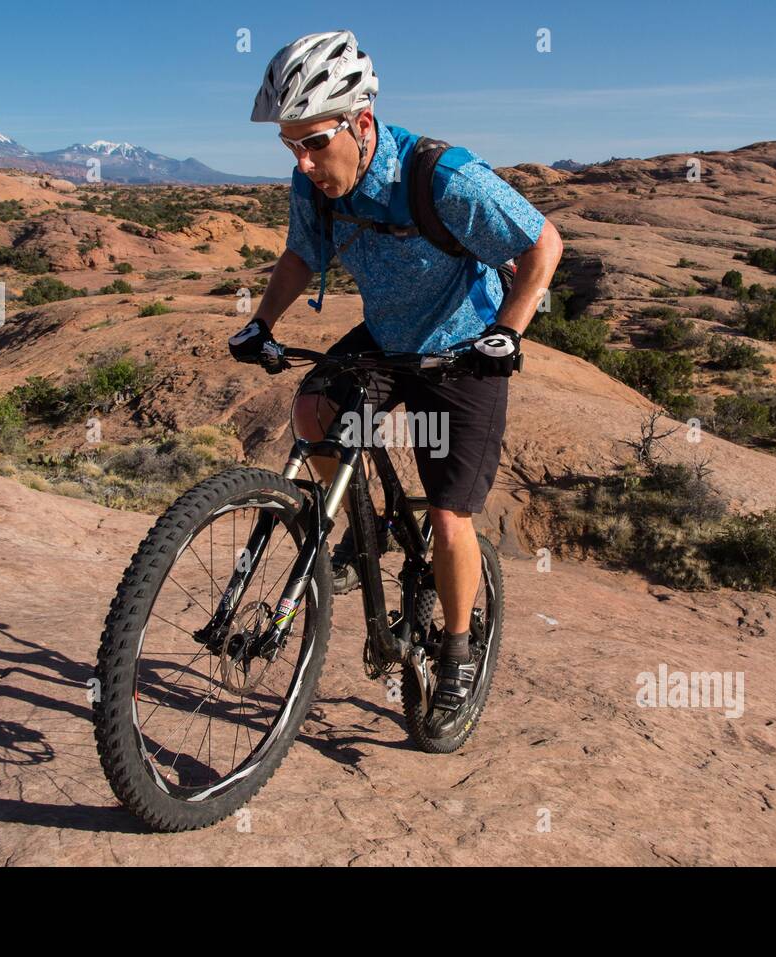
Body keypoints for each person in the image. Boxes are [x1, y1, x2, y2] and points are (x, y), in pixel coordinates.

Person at [229, 30, 563, 722]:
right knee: (315, 410)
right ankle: (365, 535)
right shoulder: (311, 182)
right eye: (291, 144)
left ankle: (459, 654)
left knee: (448, 517)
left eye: (315, 141)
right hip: (386, 340)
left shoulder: (442, 178)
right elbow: (300, 256)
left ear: (362, 122)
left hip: (462, 351)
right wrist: (261, 321)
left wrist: (509, 330)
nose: (303, 160)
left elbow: (542, 245)